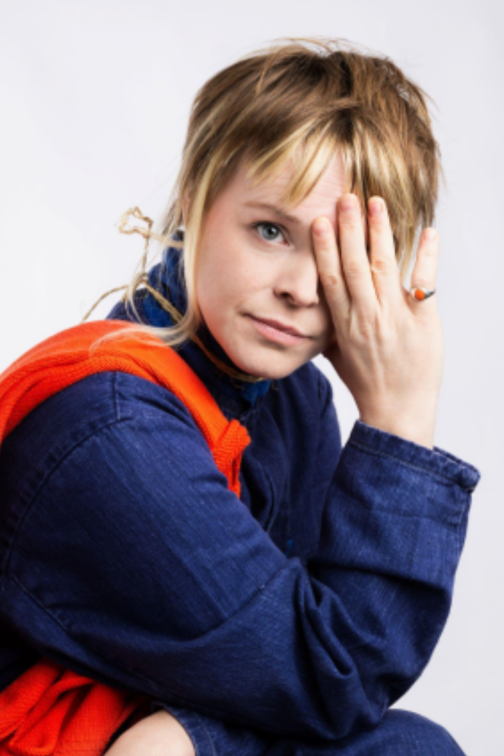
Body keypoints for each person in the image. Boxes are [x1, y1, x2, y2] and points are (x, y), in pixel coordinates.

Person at [0, 37, 481, 756]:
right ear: (194, 200)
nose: (302, 288)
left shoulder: (294, 401)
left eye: (339, 254)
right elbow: (332, 677)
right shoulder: (113, 434)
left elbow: (297, 692)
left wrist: (188, 735)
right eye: (270, 231)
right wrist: (402, 419)